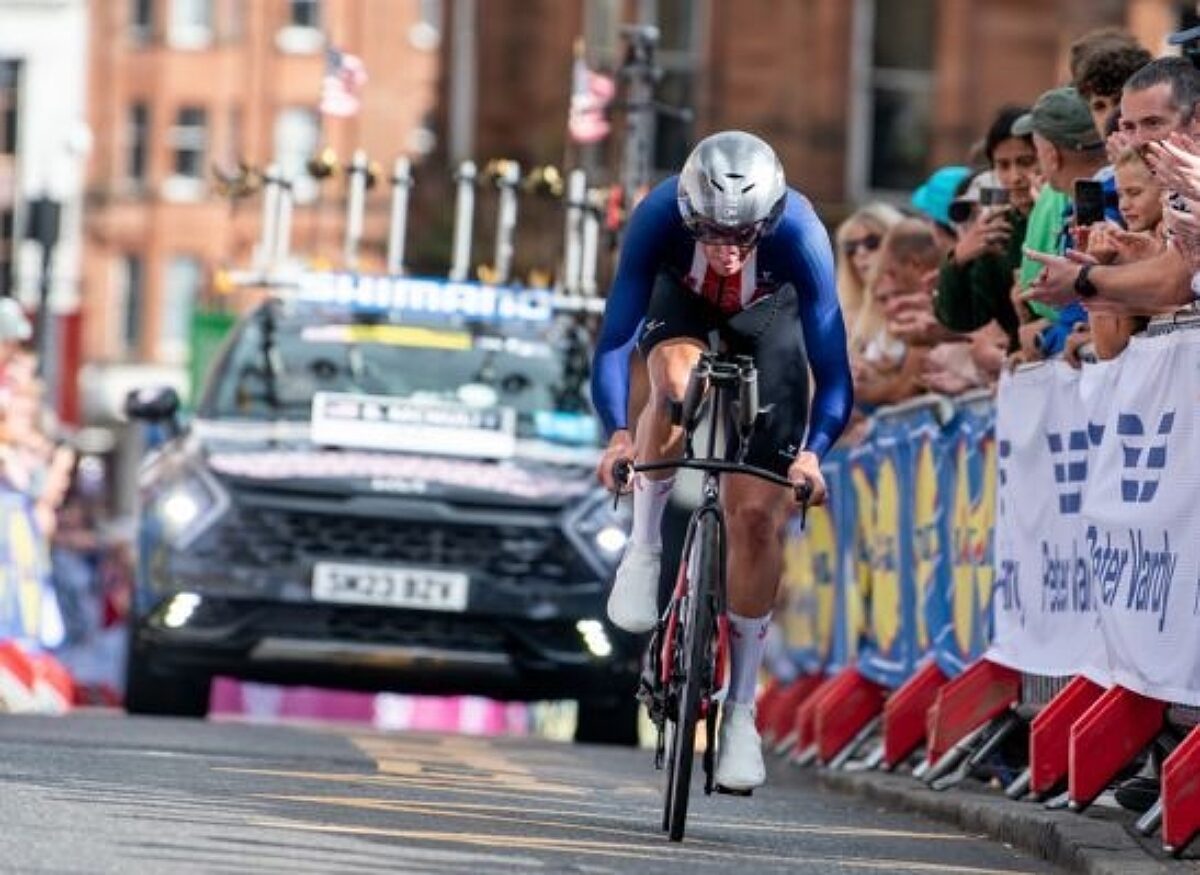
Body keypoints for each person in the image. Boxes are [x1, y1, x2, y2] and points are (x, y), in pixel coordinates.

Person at [590, 130, 853, 792]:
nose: (727, 250)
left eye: (742, 236)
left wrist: (813, 457)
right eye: (709, 232)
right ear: (686, 214)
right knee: (674, 385)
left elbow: (835, 372)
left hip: (772, 322)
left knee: (756, 518)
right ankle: (645, 549)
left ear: (769, 220)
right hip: (680, 305)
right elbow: (613, 341)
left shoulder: (800, 235)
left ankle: (740, 713)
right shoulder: (657, 217)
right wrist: (619, 435)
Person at [1026, 58, 1200, 313]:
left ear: (1197, 119)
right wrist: (1140, 261)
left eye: (1153, 123)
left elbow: (1172, 283)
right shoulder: (1177, 183)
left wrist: (1084, 278)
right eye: (1129, 127)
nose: (1138, 141)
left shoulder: (1188, 179)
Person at [934, 106, 1038, 352]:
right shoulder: (999, 230)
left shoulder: (1064, 210)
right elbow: (963, 318)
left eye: (1026, 162)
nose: (1015, 177)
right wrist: (958, 259)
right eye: (1003, 166)